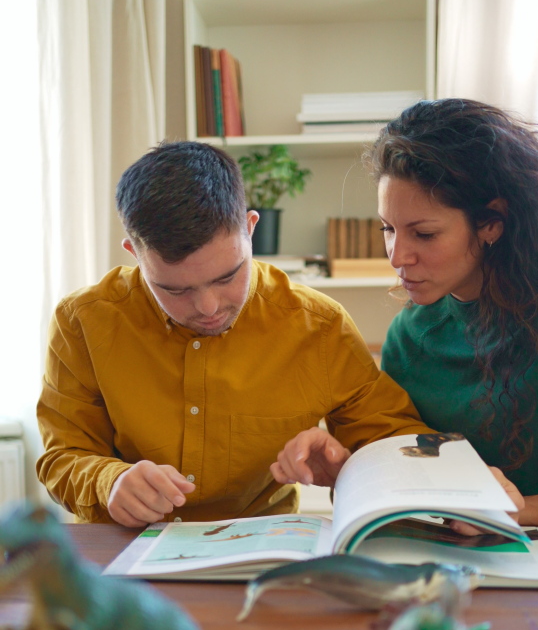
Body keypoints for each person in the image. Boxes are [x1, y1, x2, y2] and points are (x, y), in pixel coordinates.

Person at [37, 140, 431, 527]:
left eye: (227, 276)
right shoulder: (82, 322)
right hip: (123, 552)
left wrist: (346, 466)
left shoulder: (320, 327)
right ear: (134, 253)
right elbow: (62, 456)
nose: (208, 307)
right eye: (175, 290)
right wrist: (110, 482)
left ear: (250, 227)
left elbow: (398, 445)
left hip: (256, 552)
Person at [274, 99, 538, 529]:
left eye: (423, 234)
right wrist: (349, 470)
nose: (397, 256)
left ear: (492, 223)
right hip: (459, 562)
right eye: (387, 228)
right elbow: (418, 474)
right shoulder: (410, 337)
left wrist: (524, 511)